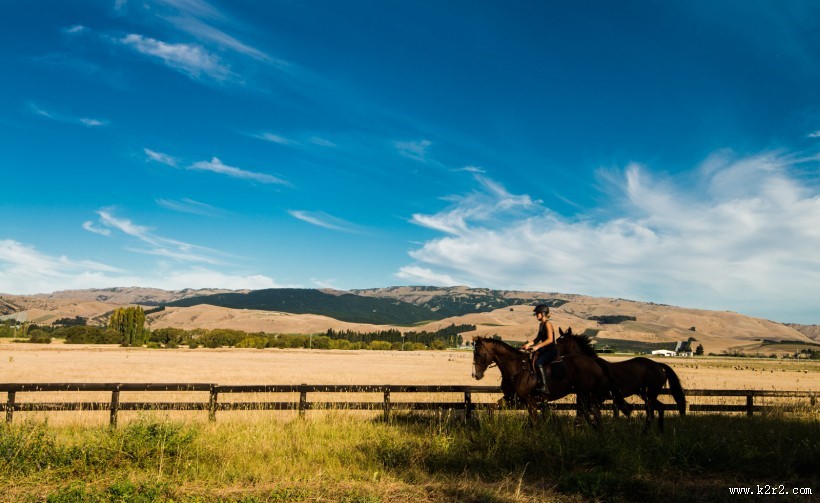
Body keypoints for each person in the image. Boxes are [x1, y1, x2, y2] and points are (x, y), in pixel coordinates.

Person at [522, 304, 557, 394]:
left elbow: (550, 339)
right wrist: (528, 345)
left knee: (538, 363)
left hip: (551, 351)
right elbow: (537, 339)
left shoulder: (548, 324)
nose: (536, 315)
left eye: (538, 313)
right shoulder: (541, 325)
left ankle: (544, 386)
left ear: (543, 313)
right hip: (544, 350)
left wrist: (537, 346)